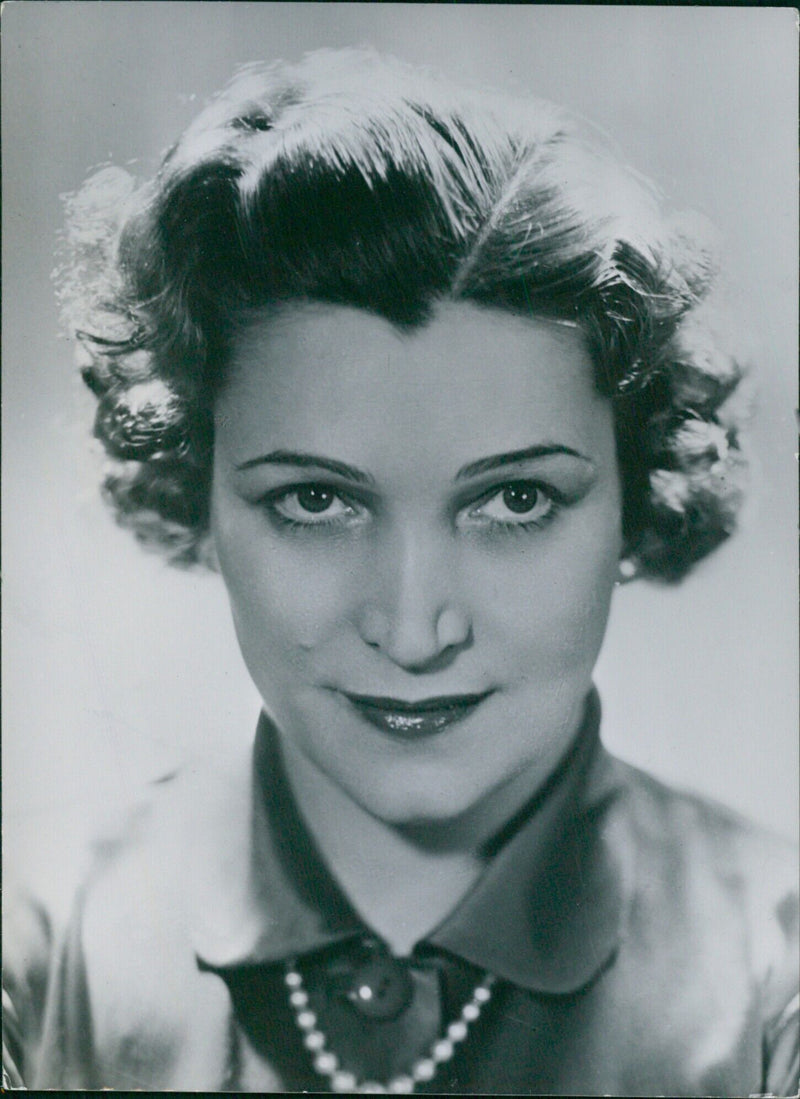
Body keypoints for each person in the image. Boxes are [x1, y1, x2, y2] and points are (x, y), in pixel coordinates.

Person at [3, 48, 797, 1095]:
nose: (414, 629)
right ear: (195, 488)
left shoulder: (773, 971)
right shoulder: (39, 946)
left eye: (514, 500)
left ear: (633, 495)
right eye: (314, 500)